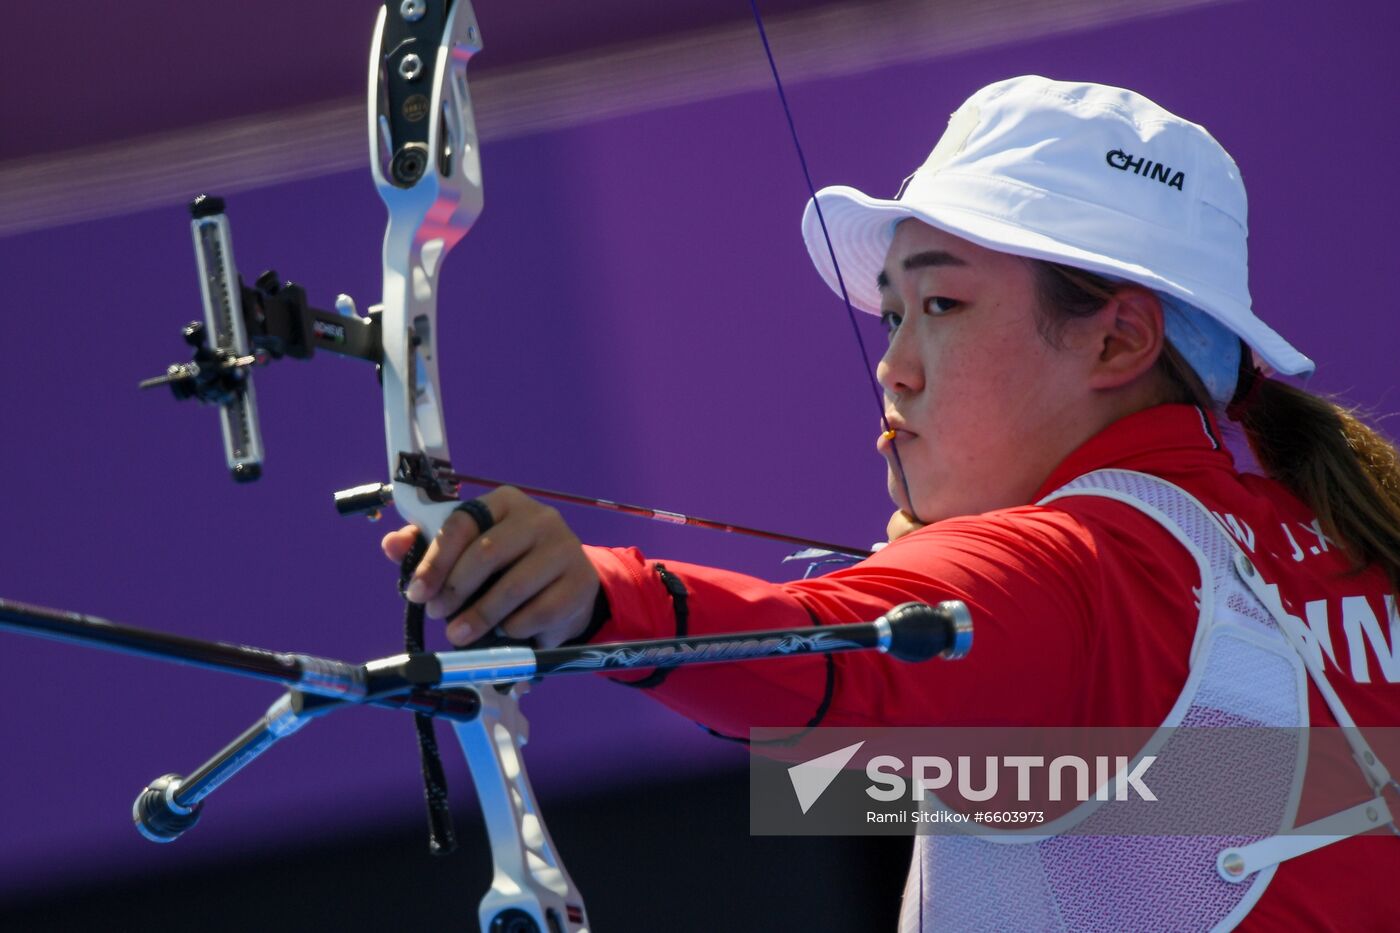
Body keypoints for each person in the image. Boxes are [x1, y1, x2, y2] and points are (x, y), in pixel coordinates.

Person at [382, 76, 1400, 929]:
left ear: (1116, 341)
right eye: (892, 313)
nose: (894, 367)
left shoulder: (1089, 560)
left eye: (942, 304)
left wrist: (591, 604)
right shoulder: (1344, 540)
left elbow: (836, 650)